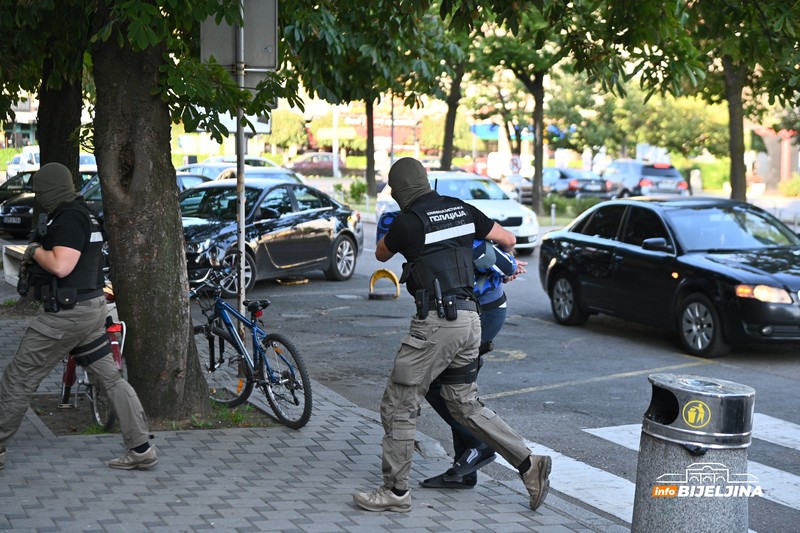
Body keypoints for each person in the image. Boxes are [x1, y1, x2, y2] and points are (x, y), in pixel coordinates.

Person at [353, 157, 551, 513]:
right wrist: (499, 267)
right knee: (463, 403)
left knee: (399, 403)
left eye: (395, 189)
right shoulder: (461, 209)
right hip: (472, 320)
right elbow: (507, 238)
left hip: (436, 323)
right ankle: (529, 463)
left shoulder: (407, 222)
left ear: (400, 190)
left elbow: (382, 252)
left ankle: (395, 492)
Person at [0, 162, 156, 471]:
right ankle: (141, 448)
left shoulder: (70, 218)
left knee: (19, 377)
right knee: (110, 379)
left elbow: (62, 266)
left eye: (41, 190)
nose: (39, 196)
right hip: (88, 312)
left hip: (67, 316)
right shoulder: (82, 213)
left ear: (51, 189)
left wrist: (33, 251)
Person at [421, 239, 526, 489]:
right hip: (461, 314)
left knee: (445, 386)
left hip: (484, 313)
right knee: (451, 388)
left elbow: (504, 262)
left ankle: (479, 445)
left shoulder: (468, 238)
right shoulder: (435, 234)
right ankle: (464, 471)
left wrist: (505, 268)